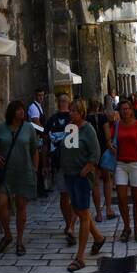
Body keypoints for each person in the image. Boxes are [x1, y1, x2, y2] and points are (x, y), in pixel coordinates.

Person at [0, 99, 39, 255]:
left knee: (21, 206)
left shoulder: (29, 128)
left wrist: (35, 169)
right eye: (18, 110)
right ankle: (8, 235)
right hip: (6, 173)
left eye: (22, 109)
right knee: (1, 204)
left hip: (23, 172)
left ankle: (19, 241)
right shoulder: (1, 129)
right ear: (12, 112)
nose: (21, 112)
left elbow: (35, 149)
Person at [63, 99, 107, 270]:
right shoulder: (71, 127)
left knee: (82, 214)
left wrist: (87, 168)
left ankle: (80, 257)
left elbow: (95, 153)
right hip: (70, 174)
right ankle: (98, 238)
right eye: (70, 110)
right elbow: (69, 150)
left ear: (81, 112)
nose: (71, 113)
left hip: (81, 176)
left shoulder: (88, 129)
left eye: (74, 111)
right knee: (81, 211)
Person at [111, 98, 137, 241]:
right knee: (121, 198)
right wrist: (111, 146)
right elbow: (111, 140)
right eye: (122, 109)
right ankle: (126, 227)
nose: (125, 111)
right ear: (119, 111)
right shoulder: (117, 125)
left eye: (127, 108)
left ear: (131, 110)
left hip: (136, 164)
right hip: (121, 163)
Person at [45, 93, 75, 243]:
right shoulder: (51, 120)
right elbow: (45, 142)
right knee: (64, 195)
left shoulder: (73, 119)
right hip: (59, 163)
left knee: (72, 195)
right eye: (61, 100)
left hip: (72, 163)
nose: (63, 103)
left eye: (65, 100)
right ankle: (68, 223)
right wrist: (45, 163)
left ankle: (71, 225)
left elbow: (74, 143)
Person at [99, 93, 119, 218]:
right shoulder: (113, 115)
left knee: (99, 182)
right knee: (108, 180)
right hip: (109, 147)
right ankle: (108, 208)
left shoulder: (102, 115)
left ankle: (101, 211)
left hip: (102, 148)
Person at [27, 87, 48, 196]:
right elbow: (36, 123)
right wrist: (45, 133)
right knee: (38, 164)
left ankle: (42, 187)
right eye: (39, 95)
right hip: (36, 138)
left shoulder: (39, 106)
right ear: (35, 96)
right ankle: (39, 189)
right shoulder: (33, 108)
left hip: (39, 137)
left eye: (42, 95)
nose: (41, 97)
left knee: (42, 163)